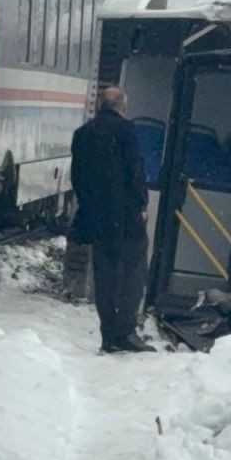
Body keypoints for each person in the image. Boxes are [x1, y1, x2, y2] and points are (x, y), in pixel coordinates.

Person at [70, 87, 155, 353]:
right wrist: (142, 203)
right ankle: (126, 331)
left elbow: (77, 176)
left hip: (97, 216)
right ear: (122, 107)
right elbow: (134, 170)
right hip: (126, 215)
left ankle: (108, 334)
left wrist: (89, 206)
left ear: (99, 106)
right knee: (133, 271)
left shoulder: (82, 134)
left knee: (104, 274)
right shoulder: (126, 130)